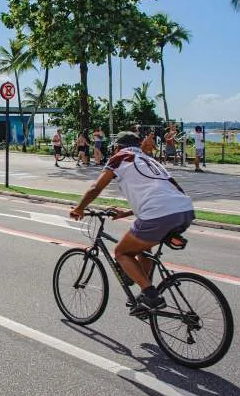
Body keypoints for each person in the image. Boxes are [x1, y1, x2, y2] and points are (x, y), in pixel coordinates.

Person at [70, 131, 195, 315]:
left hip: (158, 213)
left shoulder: (120, 157)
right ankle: (145, 287)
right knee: (143, 249)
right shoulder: (148, 160)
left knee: (121, 252)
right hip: (185, 210)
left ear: (118, 146)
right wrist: (127, 212)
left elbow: (96, 187)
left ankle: (150, 295)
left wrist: (79, 208)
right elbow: (166, 190)